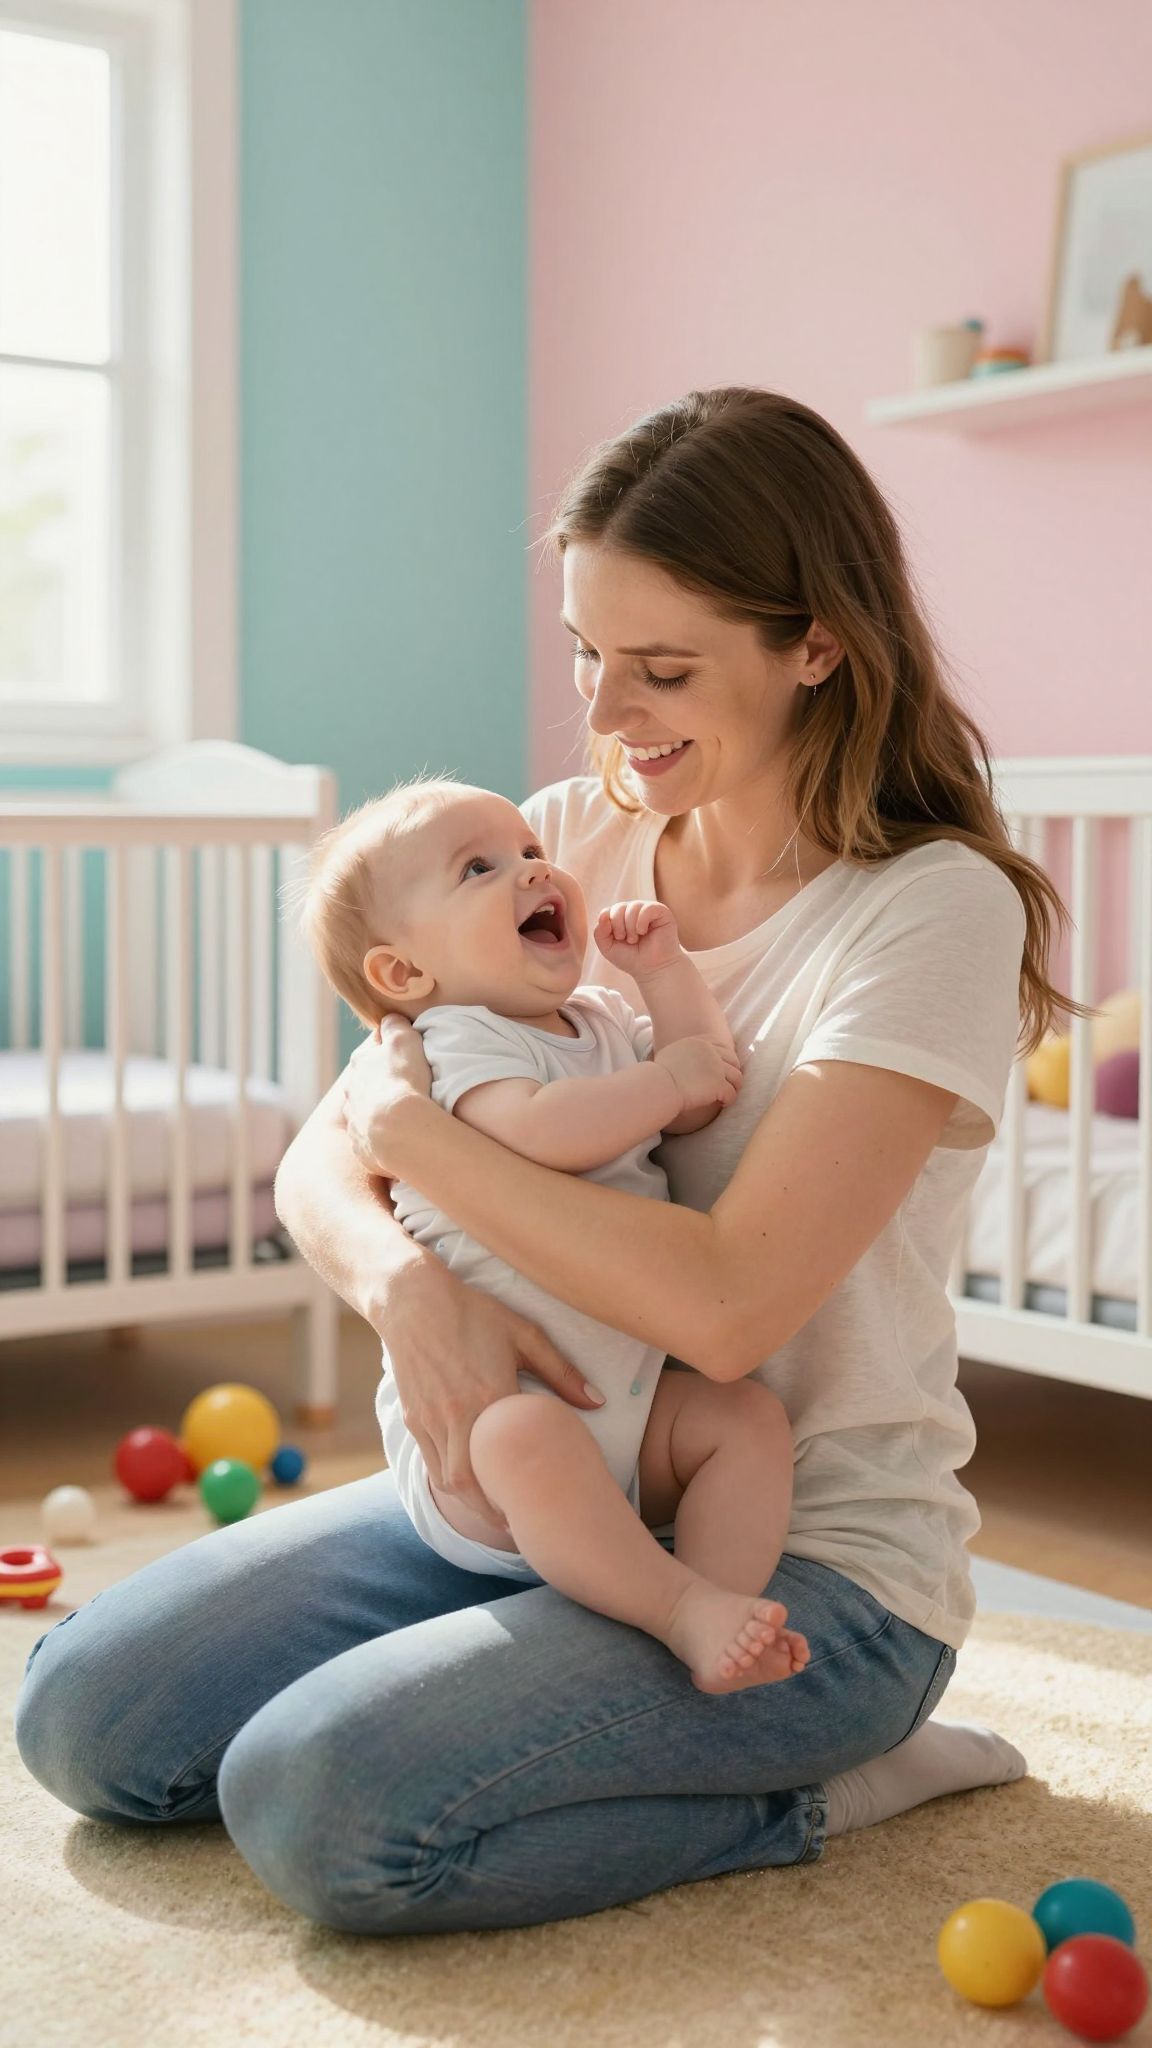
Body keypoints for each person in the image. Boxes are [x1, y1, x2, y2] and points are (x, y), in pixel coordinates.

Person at [16, 386, 1065, 1939]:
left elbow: (723, 1311)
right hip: (530, 1494)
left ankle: (837, 1780)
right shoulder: (566, 837)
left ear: (816, 646)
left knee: (322, 1806)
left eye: (663, 669)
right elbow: (323, 1164)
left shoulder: (930, 912)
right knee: (83, 1713)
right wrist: (407, 1295)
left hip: (800, 1563)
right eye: (586, 651)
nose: (608, 710)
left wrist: (412, 1136)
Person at [297, 773, 813, 1694]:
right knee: (526, 1437)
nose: (534, 873)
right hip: (494, 1444)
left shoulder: (602, 1020)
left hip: (630, 1406)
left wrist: (664, 977)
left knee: (744, 1421)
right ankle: (673, 1607)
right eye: (480, 868)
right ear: (404, 974)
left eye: (532, 852)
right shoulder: (448, 1044)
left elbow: (706, 1089)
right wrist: (668, 1082)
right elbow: (544, 1130)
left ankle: (718, 1610)